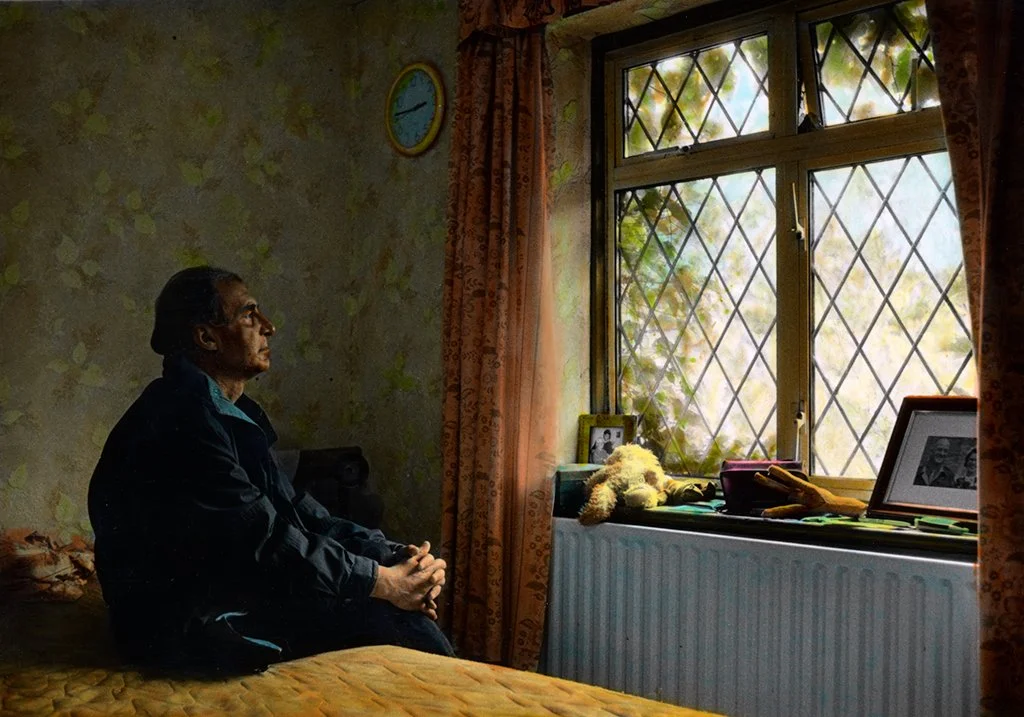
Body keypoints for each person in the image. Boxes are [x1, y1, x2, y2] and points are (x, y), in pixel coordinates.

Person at [88, 267, 452, 674]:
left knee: (386, 602)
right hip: (182, 624)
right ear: (206, 337)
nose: (268, 327)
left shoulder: (231, 413)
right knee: (390, 615)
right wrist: (385, 582)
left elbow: (300, 514)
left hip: (226, 594)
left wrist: (395, 556)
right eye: (249, 315)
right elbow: (267, 539)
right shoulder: (182, 419)